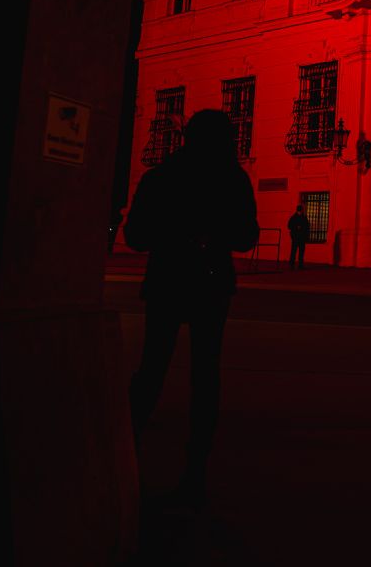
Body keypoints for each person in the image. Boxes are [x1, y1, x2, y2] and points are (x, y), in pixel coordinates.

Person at [122, 109, 259, 505]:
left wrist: (171, 235)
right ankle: (195, 473)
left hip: (166, 280)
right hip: (211, 284)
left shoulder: (160, 177)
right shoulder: (232, 179)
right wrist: (209, 235)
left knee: (151, 370)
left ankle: (125, 458)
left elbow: (134, 237)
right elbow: (247, 236)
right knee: (205, 377)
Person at [287, 201, 310, 268]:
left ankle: (299, 264)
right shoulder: (295, 218)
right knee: (295, 251)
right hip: (296, 237)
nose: (300, 212)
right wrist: (296, 227)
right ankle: (292, 263)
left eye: (300, 211)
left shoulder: (302, 218)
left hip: (300, 237)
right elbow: (289, 226)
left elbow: (307, 227)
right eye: (299, 211)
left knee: (300, 251)